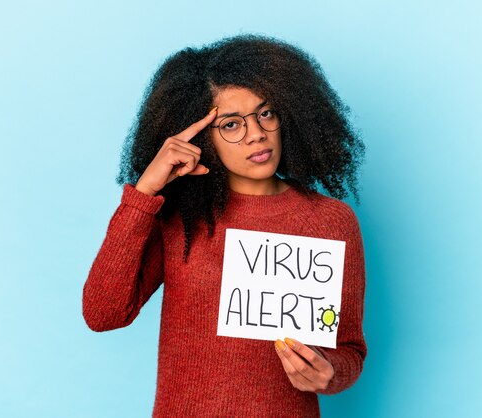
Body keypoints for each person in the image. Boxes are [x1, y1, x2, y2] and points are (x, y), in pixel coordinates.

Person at [82, 33, 367, 417]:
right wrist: (144, 193)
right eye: (231, 124)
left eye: (266, 113)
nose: (256, 133)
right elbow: (104, 314)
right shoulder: (178, 215)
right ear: (202, 137)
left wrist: (329, 373)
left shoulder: (329, 220)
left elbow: (348, 349)